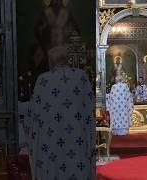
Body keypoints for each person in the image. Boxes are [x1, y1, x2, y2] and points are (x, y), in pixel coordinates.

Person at [24, 46, 94, 180]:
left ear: (51, 61)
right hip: (77, 138)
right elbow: (90, 109)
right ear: (67, 59)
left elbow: (33, 113)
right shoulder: (81, 76)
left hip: (51, 139)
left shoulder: (43, 80)